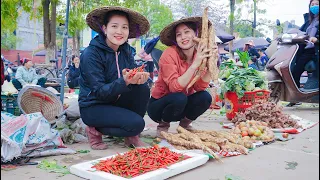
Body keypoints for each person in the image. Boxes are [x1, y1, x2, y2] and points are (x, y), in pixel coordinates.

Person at [79, 6, 151, 150]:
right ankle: (94, 130)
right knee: (137, 125)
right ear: (105, 28)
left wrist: (139, 79)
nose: (119, 31)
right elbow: (99, 91)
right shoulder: (91, 54)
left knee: (142, 88)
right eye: (114, 26)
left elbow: (131, 75)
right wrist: (124, 80)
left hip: (116, 100)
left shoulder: (126, 51)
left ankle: (131, 136)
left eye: (124, 27)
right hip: (94, 106)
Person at [147, 17, 215, 138]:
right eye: (179, 35)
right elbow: (174, 88)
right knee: (179, 97)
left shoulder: (198, 54)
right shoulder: (169, 54)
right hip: (160, 106)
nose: (183, 37)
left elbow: (199, 87)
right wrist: (195, 64)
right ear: (175, 39)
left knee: (205, 97)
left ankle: (184, 126)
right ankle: (163, 126)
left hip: (181, 104)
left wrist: (211, 63)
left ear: (196, 34)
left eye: (187, 32)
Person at [287, 0, 319, 107]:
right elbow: (299, 32)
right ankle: (295, 98)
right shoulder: (308, 22)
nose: (314, 6)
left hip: (316, 51)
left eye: (317, 4)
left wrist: (317, 39)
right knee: (295, 71)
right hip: (306, 51)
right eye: (312, 5)